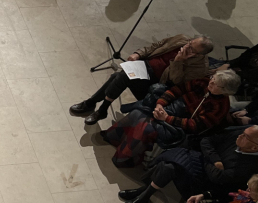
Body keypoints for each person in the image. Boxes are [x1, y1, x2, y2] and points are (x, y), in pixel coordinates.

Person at [101, 71, 241, 171]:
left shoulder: (221, 107)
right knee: (137, 113)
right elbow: (177, 90)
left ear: (225, 91)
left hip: (179, 127)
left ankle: (125, 158)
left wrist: (166, 118)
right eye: (213, 78)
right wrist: (160, 104)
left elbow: (194, 126)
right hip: (169, 109)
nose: (211, 82)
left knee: (147, 127)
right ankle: (114, 138)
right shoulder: (203, 82)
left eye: (216, 84)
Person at [116, 124, 258, 203]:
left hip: (207, 181)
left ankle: (143, 194)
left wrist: (206, 158)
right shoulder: (236, 137)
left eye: (245, 137)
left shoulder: (252, 165)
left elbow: (218, 177)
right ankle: (143, 194)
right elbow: (207, 141)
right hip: (203, 163)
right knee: (168, 164)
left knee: (173, 164)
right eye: (242, 133)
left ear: (255, 147)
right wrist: (216, 160)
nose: (240, 136)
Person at [70, 34, 213, 124]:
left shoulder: (199, 68)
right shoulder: (182, 39)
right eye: (189, 43)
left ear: (200, 55)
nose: (186, 47)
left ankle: (95, 105)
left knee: (120, 75)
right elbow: (157, 45)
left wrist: (178, 61)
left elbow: (176, 82)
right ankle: (98, 108)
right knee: (119, 76)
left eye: (191, 49)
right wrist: (138, 54)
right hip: (144, 65)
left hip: (155, 82)